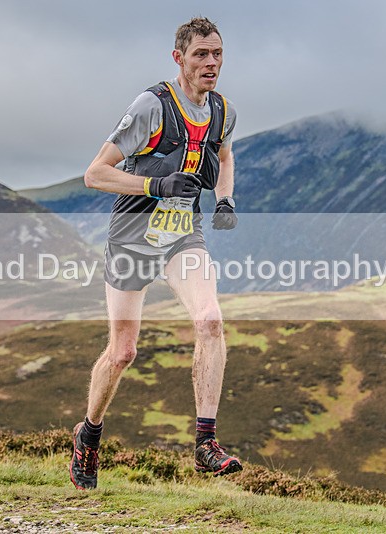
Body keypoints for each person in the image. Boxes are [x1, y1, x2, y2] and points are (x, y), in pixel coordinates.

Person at [69, 17, 242, 490]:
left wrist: (225, 200)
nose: (211, 63)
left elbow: (224, 155)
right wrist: (156, 184)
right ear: (179, 58)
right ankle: (89, 435)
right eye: (201, 54)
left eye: (217, 54)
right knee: (123, 352)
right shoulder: (153, 105)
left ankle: (206, 444)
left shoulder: (223, 111)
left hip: (183, 233)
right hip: (132, 235)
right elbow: (95, 174)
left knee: (210, 320)